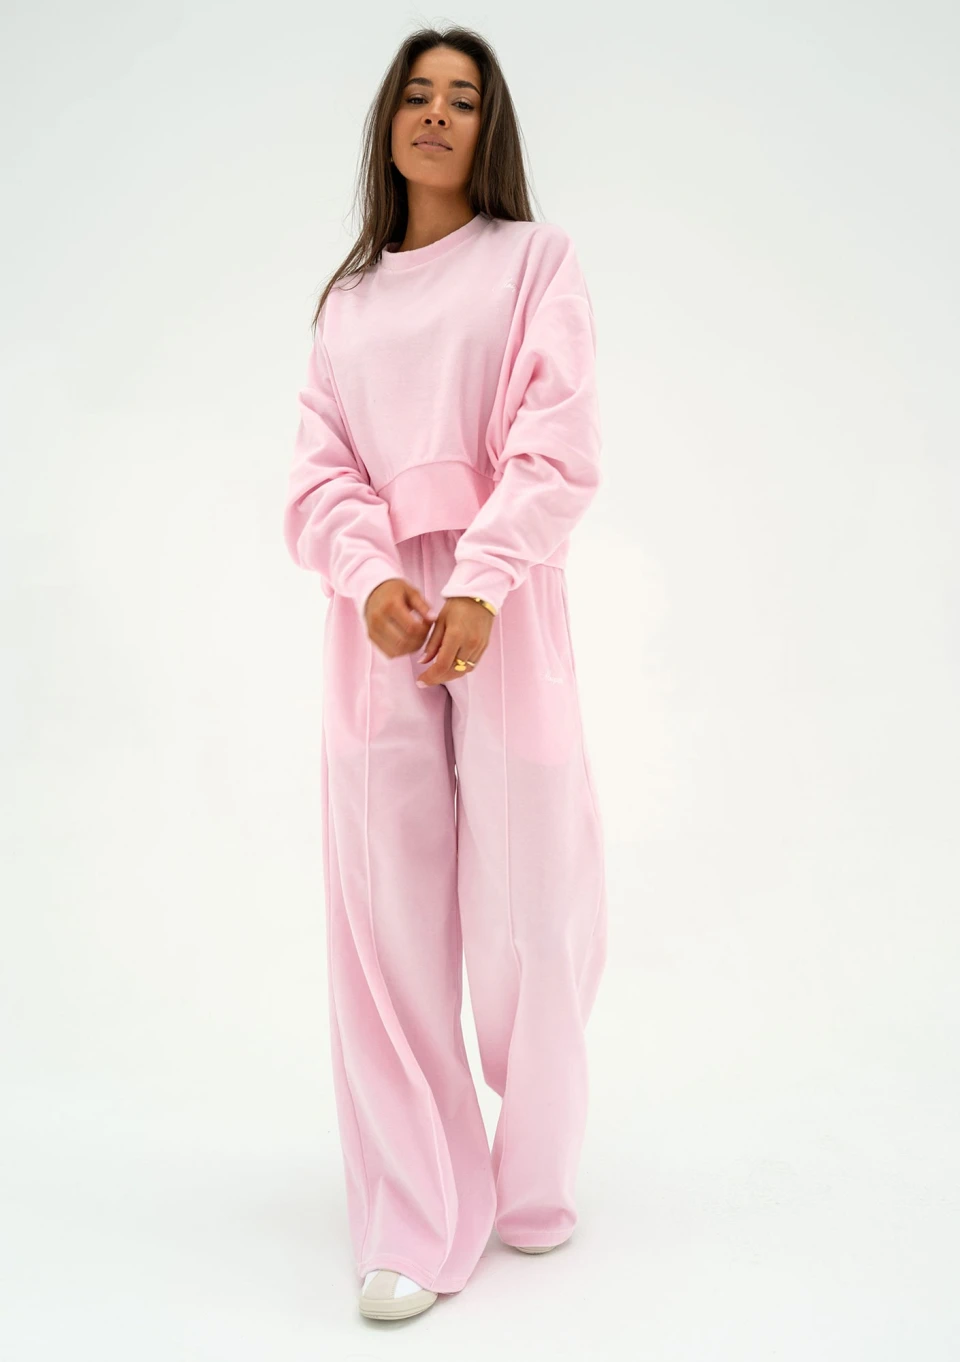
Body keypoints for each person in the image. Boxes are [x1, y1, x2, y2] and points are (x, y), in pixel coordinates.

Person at [282, 25, 608, 1322]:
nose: (435, 113)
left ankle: (531, 1175)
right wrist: (371, 579)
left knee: (533, 901)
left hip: (502, 599)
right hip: (379, 618)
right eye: (416, 94)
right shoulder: (347, 305)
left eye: (462, 98)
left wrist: (481, 578)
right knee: (386, 919)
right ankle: (418, 1209)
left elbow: (558, 444)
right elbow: (319, 476)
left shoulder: (535, 262)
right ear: (388, 123)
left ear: (489, 129)